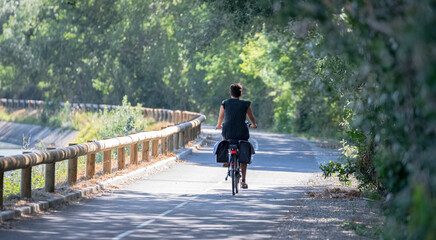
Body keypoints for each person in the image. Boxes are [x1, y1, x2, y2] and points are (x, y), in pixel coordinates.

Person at [216, 83, 257, 189]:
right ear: (240, 93)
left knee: (225, 139)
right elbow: (250, 117)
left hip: (228, 131)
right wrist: (253, 124)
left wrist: (219, 125)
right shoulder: (245, 104)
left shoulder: (225, 103)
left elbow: (221, 117)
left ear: (230, 93)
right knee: (244, 151)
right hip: (242, 132)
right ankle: (243, 181)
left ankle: (225, 160)